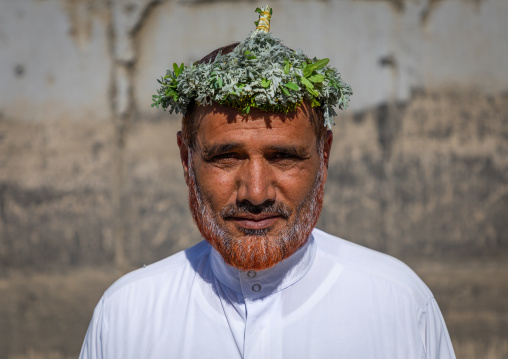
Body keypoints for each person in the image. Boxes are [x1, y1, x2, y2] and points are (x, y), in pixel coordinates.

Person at [80, 6, 455, 358]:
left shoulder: (400, 305)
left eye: (283, 157)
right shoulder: (127, 317)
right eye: (226, 157)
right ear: (186, 159)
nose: (256, 193)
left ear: (324, 155)